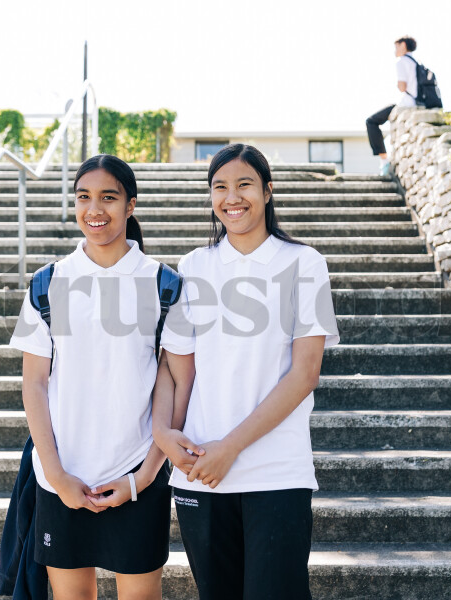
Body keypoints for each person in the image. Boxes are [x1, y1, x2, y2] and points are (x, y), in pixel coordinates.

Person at [152, 143, 340, 600]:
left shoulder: (303, 263)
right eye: (220, 187)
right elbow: (175, 367)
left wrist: (230, 447)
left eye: (244, 185)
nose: (231, 198)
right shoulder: (195, 265)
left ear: (268, 191)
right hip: (199, 470)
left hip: (275, 472)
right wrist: (161, 432)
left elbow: (304, 374)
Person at [8, 154, 173, 600]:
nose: (94, 209)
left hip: (137, 473)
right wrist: (58, 476)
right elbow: (34, 384)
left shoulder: (163, 284)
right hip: (62, 477)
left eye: (108, 197)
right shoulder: (49, 282)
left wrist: (142, 478)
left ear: (131, 205)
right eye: (84, 197)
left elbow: (171, 385)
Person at [366, 35, 419, 175]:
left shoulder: (401, 62)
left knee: (371, 121)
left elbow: (402, 87)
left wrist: (398, 85)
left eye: (396, 46)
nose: (394, 50)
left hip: (406, 104)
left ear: (403, 45)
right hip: (418, 102)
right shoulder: (417, 63)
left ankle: (384, 160)